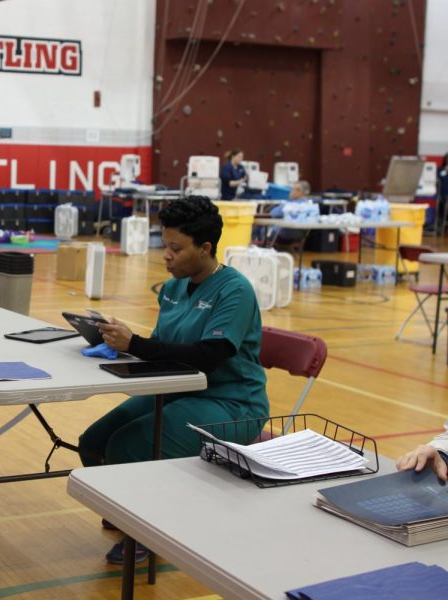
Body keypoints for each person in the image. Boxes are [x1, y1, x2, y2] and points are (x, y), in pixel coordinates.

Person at [78, 196, 268, 564]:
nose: (166, 254)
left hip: (230, 402)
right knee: (94, 440)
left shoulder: (235, 290)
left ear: (205, 248)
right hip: (176, 388)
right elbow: (165, 348)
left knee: (127, 446)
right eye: (164, 244)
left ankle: (148, 528)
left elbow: (209, 356)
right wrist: (118, 343)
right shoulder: (173, 288)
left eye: (175, 248)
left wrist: (137, 344)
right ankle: (129, 506)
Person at [268, 179, 312, 248]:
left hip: (281, 236)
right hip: (300, 237)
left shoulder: (290, 205)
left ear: (299, 191)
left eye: (292, 190)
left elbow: (272, 213)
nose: (290, 192)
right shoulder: (311, 205)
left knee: (261, 227)